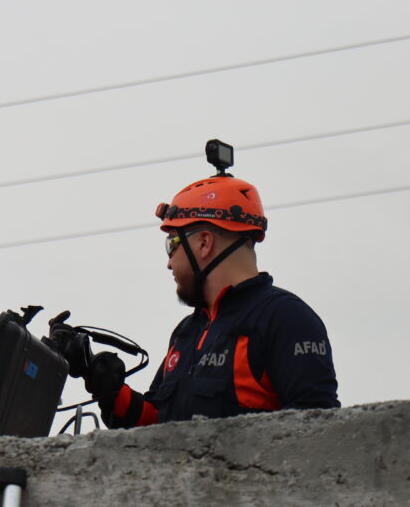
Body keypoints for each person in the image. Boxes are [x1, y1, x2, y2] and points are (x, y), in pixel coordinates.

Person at [55, 160, 339, 426]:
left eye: (172, 244)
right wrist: (101, 381)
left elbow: (318, 435)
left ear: (204, 243)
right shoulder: (189, 331)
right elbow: (157, 423)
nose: (168, 262)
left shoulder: (285, 319)